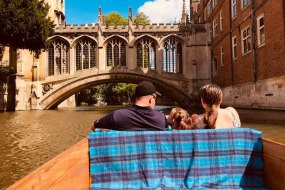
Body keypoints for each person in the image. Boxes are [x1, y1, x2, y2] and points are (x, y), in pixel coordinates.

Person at [91, 81, 168, 131]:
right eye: (155, 98)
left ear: (136, 97)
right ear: (151, 99)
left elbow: (94, 126)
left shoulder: (118, 115)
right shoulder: (161, 118)